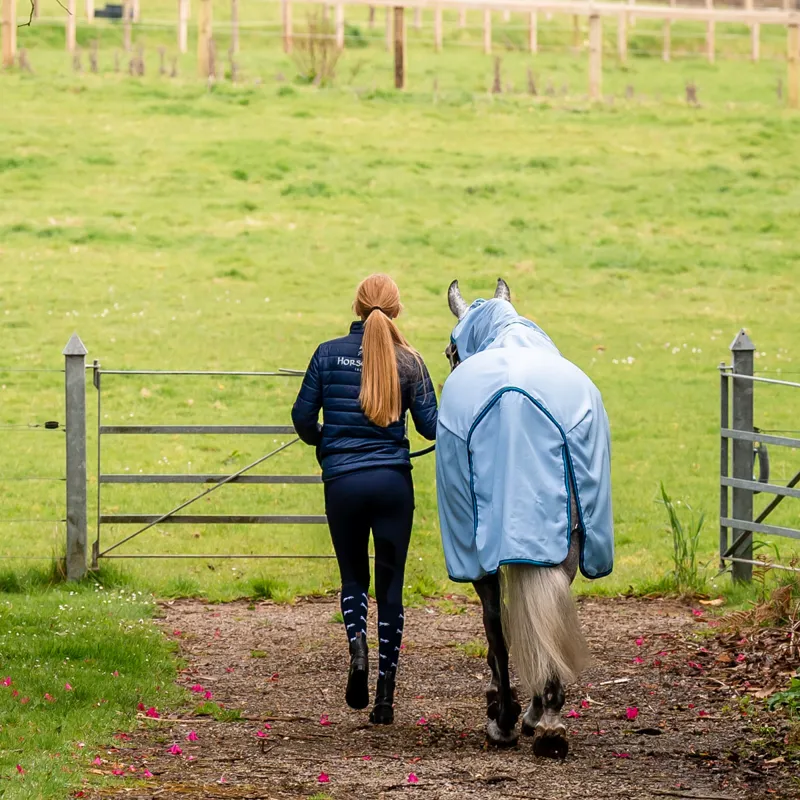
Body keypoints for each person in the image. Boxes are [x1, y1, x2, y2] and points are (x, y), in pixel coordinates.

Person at [291, 274, 438, 724]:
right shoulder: (410, 360)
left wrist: (325, 444)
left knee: (353, 577)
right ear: (396, 310)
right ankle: (386, 697)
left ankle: (357, 648)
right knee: (390, 588)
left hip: (343, 484)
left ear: (357, 307)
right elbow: (431, 427)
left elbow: (301, 416)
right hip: (393, 484)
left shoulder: (325, 353)